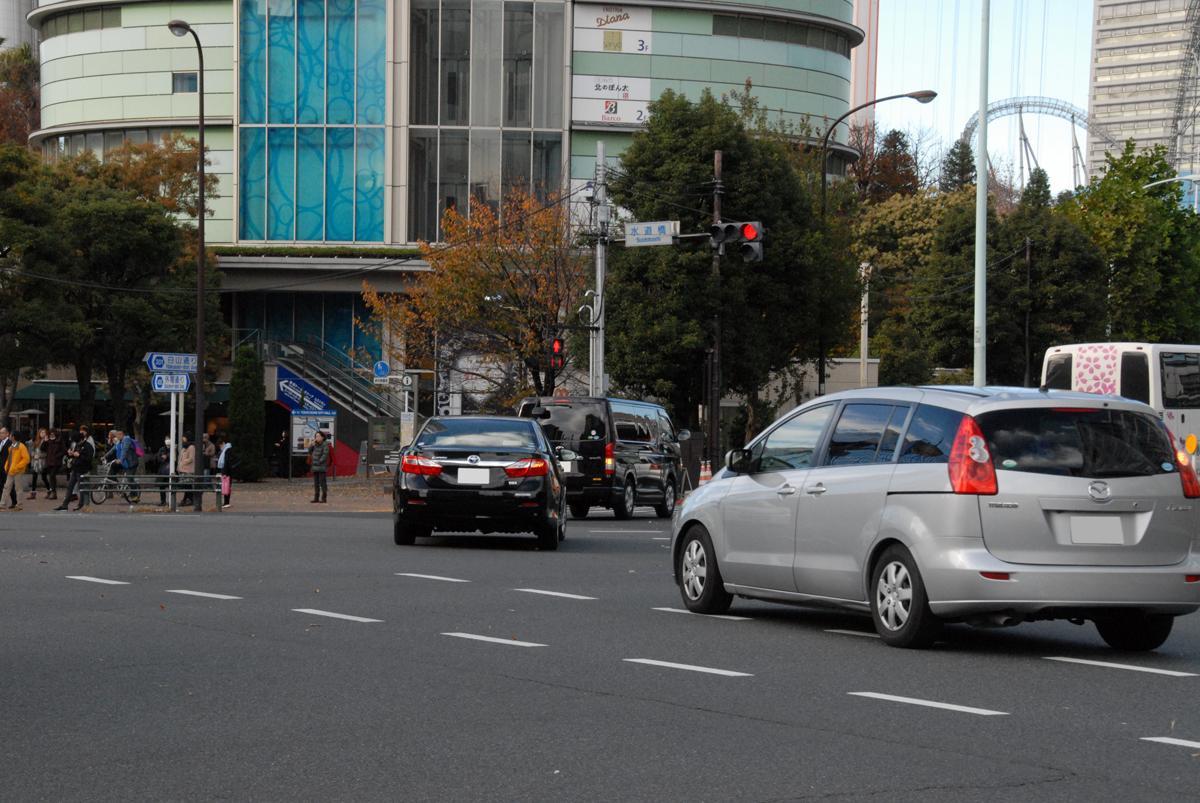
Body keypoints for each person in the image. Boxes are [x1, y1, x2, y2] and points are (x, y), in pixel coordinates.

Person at [55, 426, 95, 511]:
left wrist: (79, 455)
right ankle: (65, 505)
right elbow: (75, 455)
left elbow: (89, 458)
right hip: (75, 469)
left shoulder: (88, 446)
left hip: (83, 470)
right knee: (70, 487)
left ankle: (81, 504)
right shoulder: (78, 445)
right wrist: (71, 454)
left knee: (82, 488)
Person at [1, 431, 30, 511]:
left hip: (18, 471)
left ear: (13, 437)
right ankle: (2, 505)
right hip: (10, 471)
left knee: (18, 488)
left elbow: (26, 459)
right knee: (6, 487)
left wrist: (17, 467)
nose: (9, 436)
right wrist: (6, 466)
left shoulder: (21, 446)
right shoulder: (11, 447)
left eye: (10, 435)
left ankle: (19, 505)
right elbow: (9, 459)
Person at [43, 429, 65, 500]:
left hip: (56, 462)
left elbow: (64, 450)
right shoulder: (48, 441)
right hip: (49, 462)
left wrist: (57, 456)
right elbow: (42, 449)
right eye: (50, 434)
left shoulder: (59, 440)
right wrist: (45, 441)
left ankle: (53, 492)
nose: (52, 435)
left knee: (52, 475)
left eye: (53, 434)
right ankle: (52, 491)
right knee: (50, 476)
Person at [308, 431, 330, 504]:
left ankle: (324, 498)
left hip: (321, 466)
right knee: (316, 483)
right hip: (315, 466)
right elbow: (309, 452)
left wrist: (319, 461)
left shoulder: (325, 444)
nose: (316, 438)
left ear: (322, 437)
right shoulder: (315, 444)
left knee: (322, 483)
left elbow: (325, 455)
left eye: (318, 436)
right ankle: (316, 498)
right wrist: (311, 445)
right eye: (316, 436)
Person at [178, 433, 196, 507]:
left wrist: (183, 462)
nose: (183, 439)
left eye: (184, 438)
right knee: (186, 486)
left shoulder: (191, 447)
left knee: (187, 485)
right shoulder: (184, 448)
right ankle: (188, 499)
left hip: (189, 470)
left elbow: (191, 458)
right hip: (183, 469)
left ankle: (187, 500)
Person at [28, 428, 46, 500]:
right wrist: (33, 455)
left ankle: (50, 490)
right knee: (34, 477)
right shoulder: (36, 441)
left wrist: (40, 456)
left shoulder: (46, 442)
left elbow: (47, 453)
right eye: (41, 432)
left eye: (44, 432)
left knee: (44, 477)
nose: (43, 434)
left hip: (43, 462)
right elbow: (32, 450)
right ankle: (33, 493)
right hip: (36, 462)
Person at [216, 432, 233, 507]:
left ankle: (226, 502)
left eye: (220, 445)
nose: (220, 447)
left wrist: (225, 473)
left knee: (226, 486)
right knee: (226, 486)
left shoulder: (227, 450)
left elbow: (227, 462)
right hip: (227, 471)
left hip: (227, 471)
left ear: (223, 443)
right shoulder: (227, 449)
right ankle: (226, 502)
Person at [155, 437, 172, 506]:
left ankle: (171, 502)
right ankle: (163, 501)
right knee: (162, 486)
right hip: (162, 470)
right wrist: (162, 458)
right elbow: (158, 459)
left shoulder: (173, 449)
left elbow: (175, 458)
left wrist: (167, 456)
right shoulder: (162, 449)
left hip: (170, 470)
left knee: (171, 486)